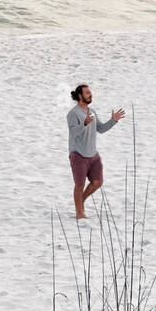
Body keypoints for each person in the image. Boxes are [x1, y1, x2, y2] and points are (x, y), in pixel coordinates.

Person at [66, 84, 126, 220]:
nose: (90, 95)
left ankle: (81, 201)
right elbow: (73, 132)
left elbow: (101, 128)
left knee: (98, 182)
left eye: (90, 93)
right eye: (87, 93)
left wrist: (113, 121)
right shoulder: (73, 113)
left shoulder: (91, 111)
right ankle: (79, 213)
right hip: (78, 154)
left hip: (93, 155)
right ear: (80, 96)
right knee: (79, 185)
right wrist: (84, 123)